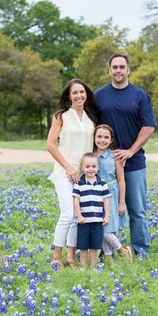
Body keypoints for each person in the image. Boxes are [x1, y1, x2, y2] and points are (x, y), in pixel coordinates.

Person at [94, 53, 157, 255]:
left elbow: (148, 127)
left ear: (128, 70)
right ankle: (103, 251)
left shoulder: (139, 96)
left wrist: (130, 151)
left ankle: (141, 251)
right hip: (105, 163)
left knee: (137, 209)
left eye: (122, 67)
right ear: (110, 70)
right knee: (101, 209)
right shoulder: (99, 96)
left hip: (134, 161)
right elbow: (90, 125)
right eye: (115, 67)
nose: (118, 70)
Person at [46, 79, 99, 270]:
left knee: (78, 216)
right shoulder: (61, 116)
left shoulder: (91, 117)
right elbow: (50, 145)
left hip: (83, 174)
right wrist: (68, 167)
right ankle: (57, 255)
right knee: (68, 214)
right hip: (63, 172)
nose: (79, 95)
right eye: (75, 92)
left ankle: (71, 256)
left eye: (82, 92)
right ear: (69, 96)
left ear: (86, 94)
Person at [94, 124, 133, 263]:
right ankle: (109, 259)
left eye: (106, 137)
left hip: (111, 194)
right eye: (99, 136)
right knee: (100, 229)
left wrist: (121, 202)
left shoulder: (115, 156)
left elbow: (121, 180)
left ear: (111, 140)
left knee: (107, 230)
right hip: (95, 195)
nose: (102, 140)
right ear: (94, 138)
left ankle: (122, 251)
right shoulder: (90, 156)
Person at [72, 153, 110, 269]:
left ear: (98, 167)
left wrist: (107, 216)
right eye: (87, 167)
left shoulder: (102, 183)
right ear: (82, 168)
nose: (91, 169)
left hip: (98, 220)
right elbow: (76, 200)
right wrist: (79, 216)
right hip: (84, 221)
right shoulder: (78, 183)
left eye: (93, 166)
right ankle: (83, 266)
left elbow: (106, 200)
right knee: (83, 246)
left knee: (95, 245)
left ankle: (93, 266)